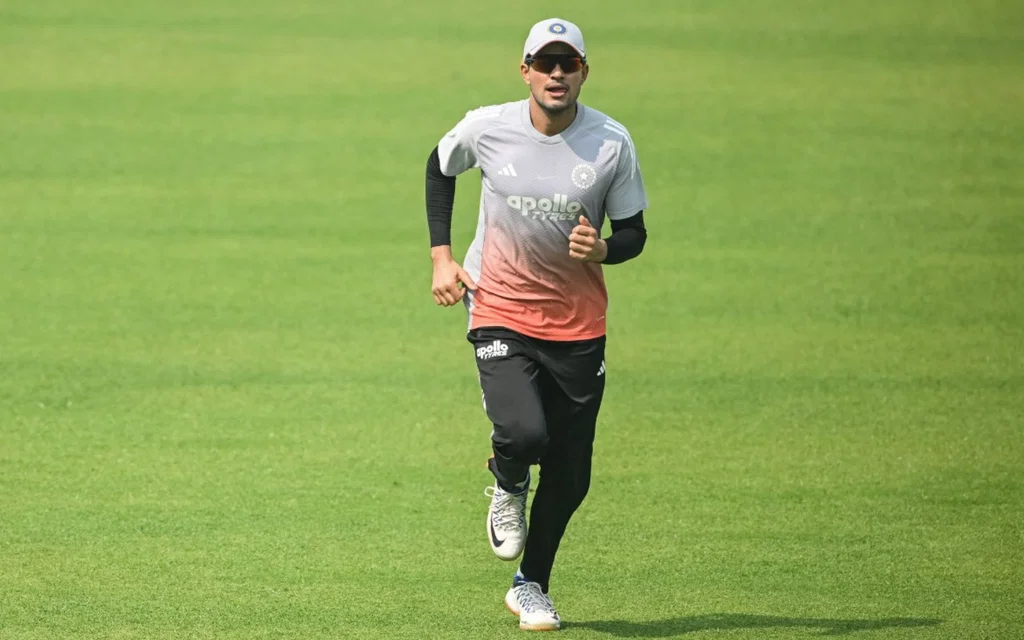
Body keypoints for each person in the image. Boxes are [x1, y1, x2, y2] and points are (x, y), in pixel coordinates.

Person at [424, 17, 649, 632]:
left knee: (572, 472)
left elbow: (633, 232)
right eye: (544, 64)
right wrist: (443, 258)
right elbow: (440, 167)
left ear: (583, 71)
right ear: (524, 70)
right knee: (524, 433)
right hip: (498, 305)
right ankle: (506, 479)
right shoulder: (489, 127)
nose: (556, 74)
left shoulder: (611, 142)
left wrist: (604, 250)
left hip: (578, 324)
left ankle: (531, 585)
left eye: (567, 64)